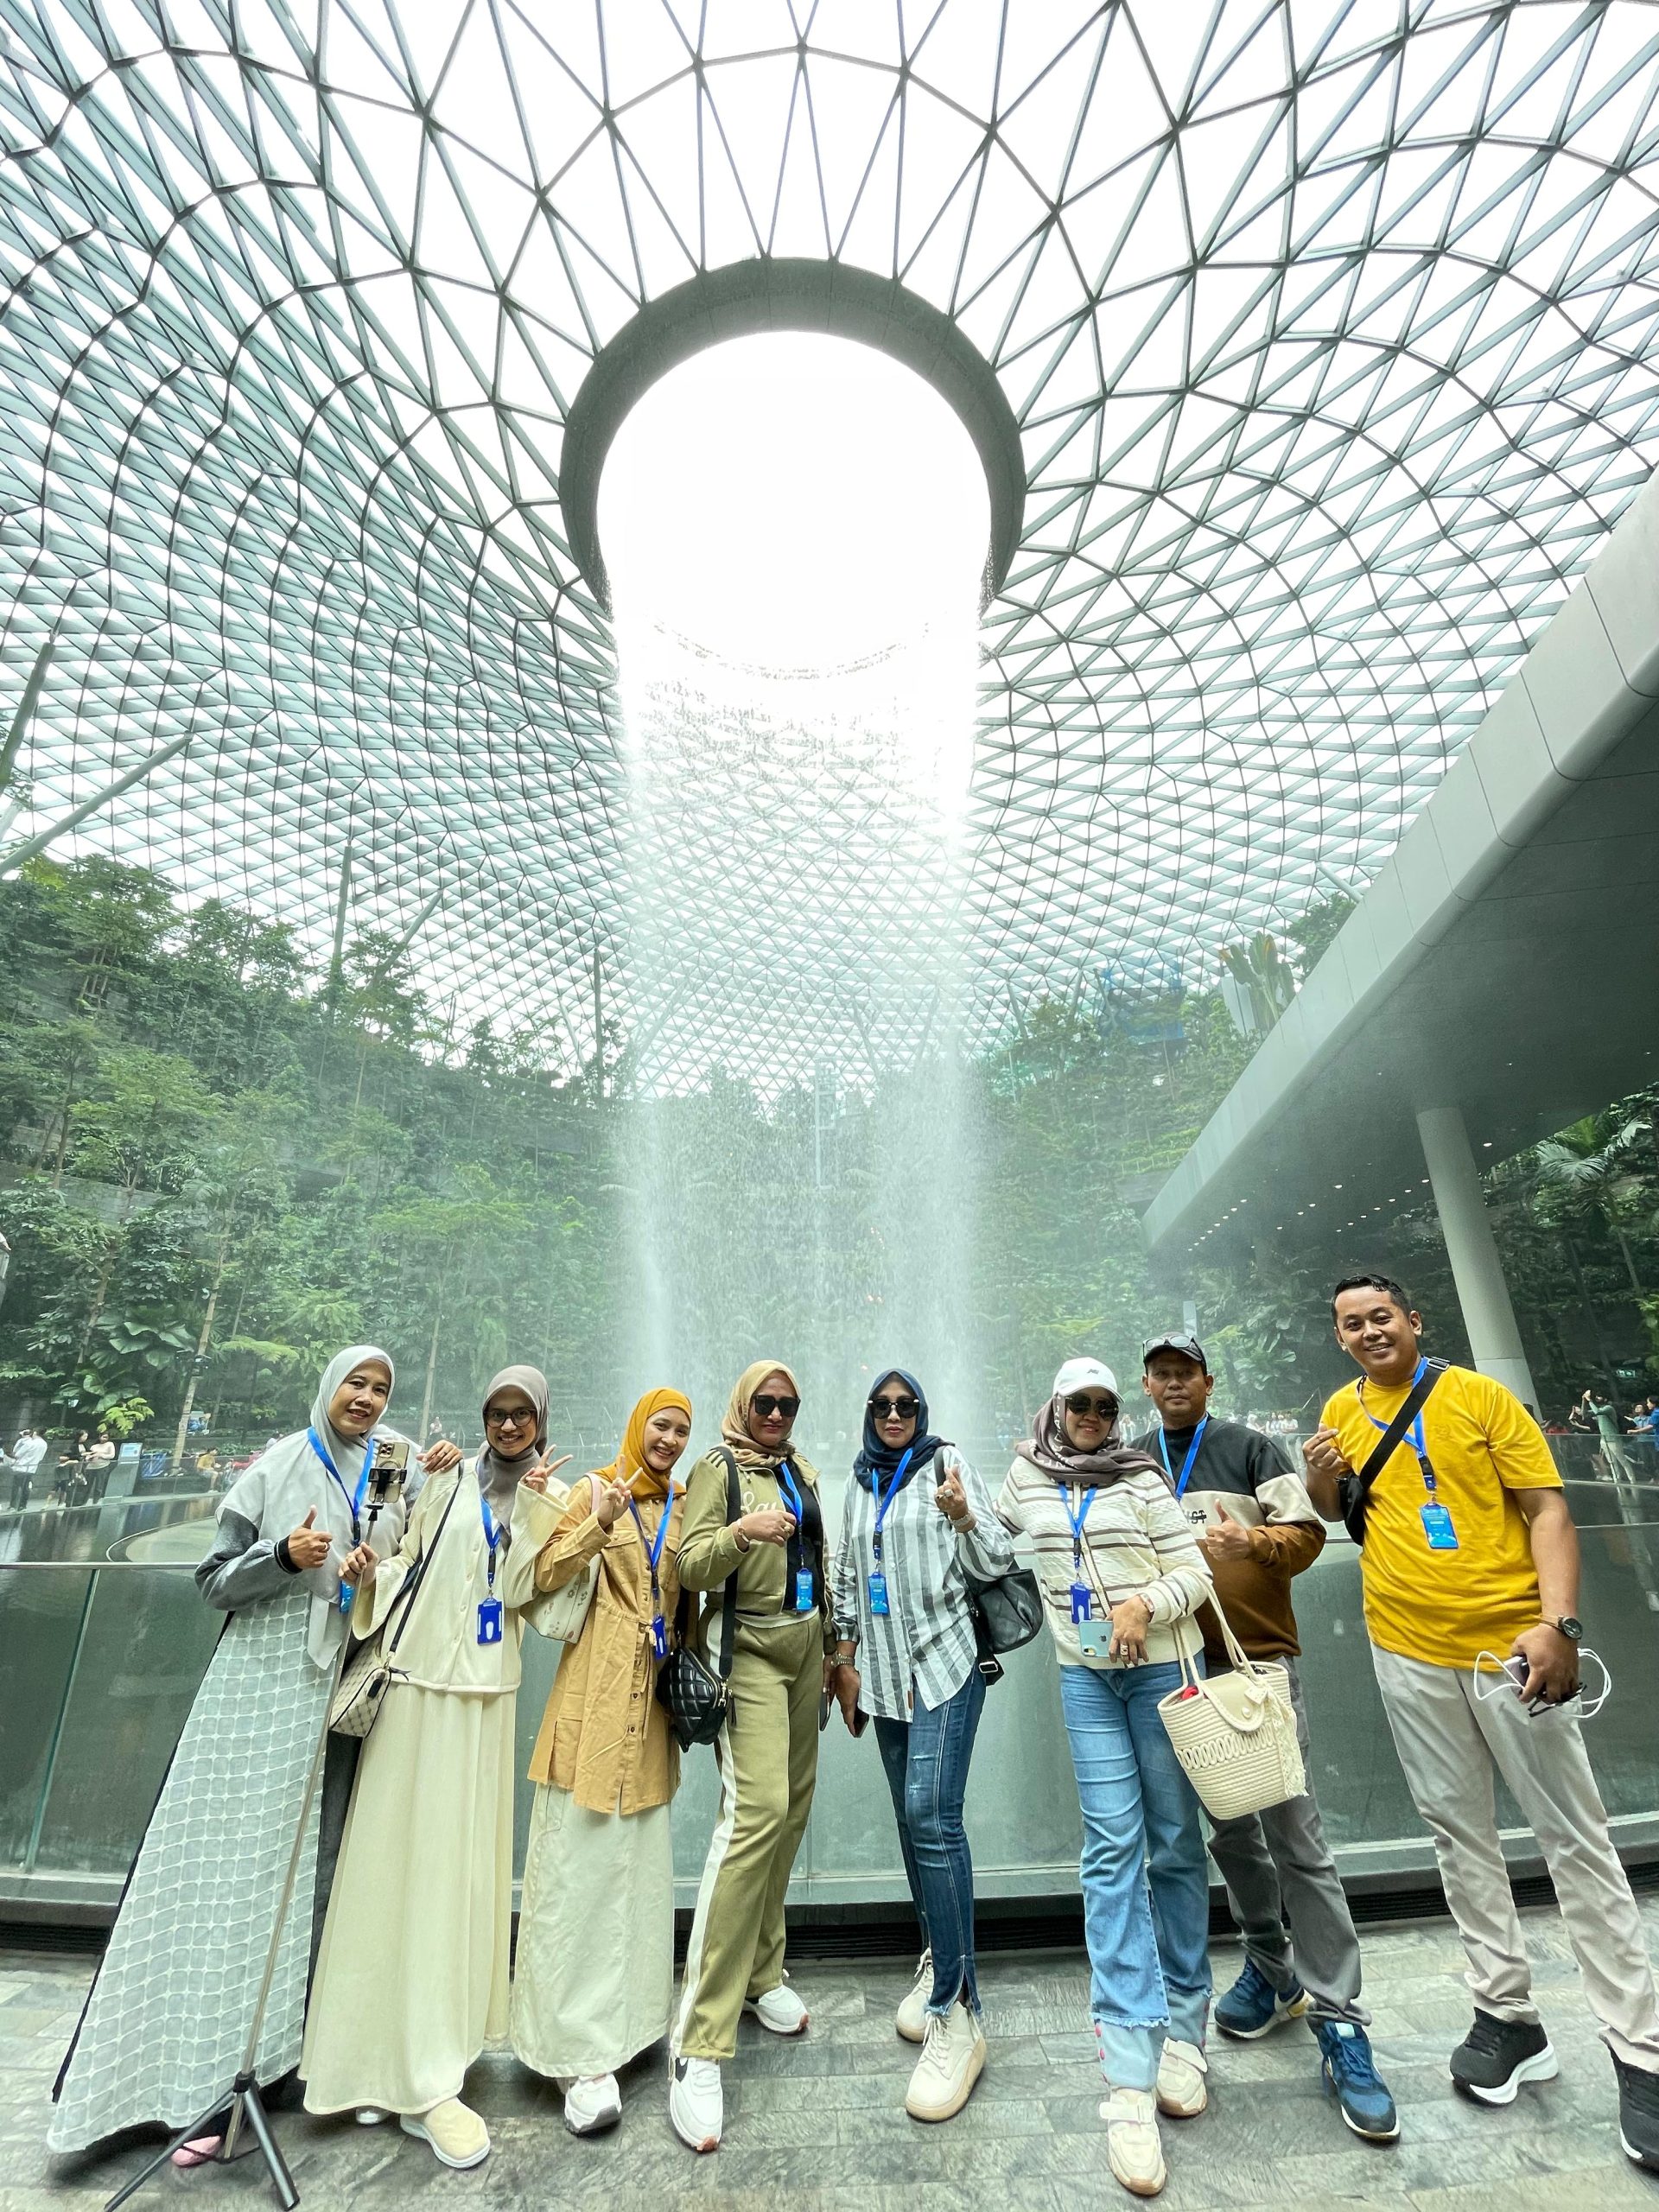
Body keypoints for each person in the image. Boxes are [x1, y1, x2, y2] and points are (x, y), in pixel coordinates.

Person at [1304, 1274, 1659, 2171]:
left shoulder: (1479, 1396)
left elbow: (1548, 1510)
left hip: (1511, 1649)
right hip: (1405, 1649)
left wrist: (1561, 1625)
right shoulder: (1340, 1410)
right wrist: (1318, 1477)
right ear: (1340, 1338)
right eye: (1352, 1323)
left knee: (1575, 1838)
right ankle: (1507, 2014)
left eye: (1382, 1316)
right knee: (1457, 1834)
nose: (1369, 1330)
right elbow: (1338, 1511)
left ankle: (1642, 2048)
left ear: (1413, 1320)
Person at [48, 1347, 419, 2158]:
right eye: (356, 1383)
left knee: (317, 1872)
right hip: (261, 1694)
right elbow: (213, 1581)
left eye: (381, 1389)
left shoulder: (395, 1467)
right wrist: (284, 1557)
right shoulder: (276, 1467)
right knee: (231, 1874)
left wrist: (373, 1562)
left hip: (344, 1692)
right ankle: (196, 2075)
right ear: (328, 1387)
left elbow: (423, 1537)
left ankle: (290, 2061)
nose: (366, 1398)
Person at [1132, 1333, 1396, 2142]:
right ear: (1148, 1385)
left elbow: (1309, 1534)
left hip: (1258, 1667)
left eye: (1186, 1373)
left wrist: (1254, 1543)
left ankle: (1340, 2017)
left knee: (1296, 1836)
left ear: (1208, 1381)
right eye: (1162, 1374)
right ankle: (1273, 1969)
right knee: (1231, 1834)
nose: (1175, 1384)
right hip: (1179, 1670)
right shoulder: (1135, 1458)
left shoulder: (1249, 1447)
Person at [300, 1364, 563, 2169]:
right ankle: (369, 2058)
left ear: (541, 1421)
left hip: (482, 1703)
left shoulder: (550, 1493)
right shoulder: (444, 1479)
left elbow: (531, 1597)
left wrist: (543, 1510)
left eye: (522, 1414)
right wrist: (365, 1576)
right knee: (387, 1876)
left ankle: (431, 2070)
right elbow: (402, 1560)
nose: (508, 1426)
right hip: (413, 1689)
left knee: (453, 1882)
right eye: (497, 1412)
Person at [996, 1357, 1213, 2201]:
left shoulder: (1141, 1476)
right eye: (1078, 1403)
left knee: (1174, 1841)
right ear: (1055, 1407)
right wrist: (952, 1511)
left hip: (1161, 1670)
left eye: (1104, 1405)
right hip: (1086, 1677)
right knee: (1111, 1846)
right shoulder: (1026, 1475)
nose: (1091, 1415)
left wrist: (1143, 1604)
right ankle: (1129, 2064)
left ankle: (1186, 2024)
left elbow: (1194, 1573)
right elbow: (987, 1540)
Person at [827, 1368, 1014, 2122]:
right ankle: (941, 1951)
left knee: (933, 1816)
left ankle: (958, 2012)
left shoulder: (948, 1462)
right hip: (883, 1676)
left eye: (906, 1405)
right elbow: (846, 1572)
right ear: (869, 1414)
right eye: (882, 1405)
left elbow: (997, 1559)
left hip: (944, 1664)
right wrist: (842, 1657)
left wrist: (964, 1516)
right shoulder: (860, 1480)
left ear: (922, 1412)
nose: (895, 1414)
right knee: (912, 1822)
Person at [512, 1387, 694, 2135]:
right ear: (637, 1425)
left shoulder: (682, 1507)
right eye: (661, 1425)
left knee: (637, 1878)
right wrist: (600, 1523)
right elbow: (541, 1578)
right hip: (591, 1703)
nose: (670, 1439)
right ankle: (574, 2053)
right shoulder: (595, 1488)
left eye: (681, 1430)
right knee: (575, 1879)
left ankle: (632, 2029)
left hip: (648, 1716)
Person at [669, 1360, 834, 2154]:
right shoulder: (718, 1468)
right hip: (749, 1650)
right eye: (764, 1403)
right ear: (742, 1405)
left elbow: (824, 1562)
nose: (776, 1413)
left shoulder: (800, 1469)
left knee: (791, 1813)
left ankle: (764, 1972)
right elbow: (687, 1564)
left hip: (805, 1648)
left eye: (787, 1404)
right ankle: (697, 2040)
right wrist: (741, 1533)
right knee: (755, 1815)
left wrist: (838, 1653)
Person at [9, 1425, 46, 1512]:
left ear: (35, 1432)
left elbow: (17, 1454)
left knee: (16, 1487)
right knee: (25, 1487)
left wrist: (22, 1438)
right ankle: (23, 1506)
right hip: (32, 1468)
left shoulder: (30, 1443)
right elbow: (41, 1458)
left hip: (21, 1468)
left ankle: (13, 1506)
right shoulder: (44, 1444)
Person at [85, 1429, 116, 1503]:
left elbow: (112, 1455)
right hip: (91, 1467)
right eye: (103, 1437)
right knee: (87, 1485)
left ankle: (96, 1501)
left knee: (99, 1486)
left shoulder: (110, 1444)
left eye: (106, 1437)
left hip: (102, 1466)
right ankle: (84, 1501)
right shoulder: (94, 1446)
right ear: (99, 1437)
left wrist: (101, 1455)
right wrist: (89, 1458)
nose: (104, 1439)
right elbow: (88, 1455)